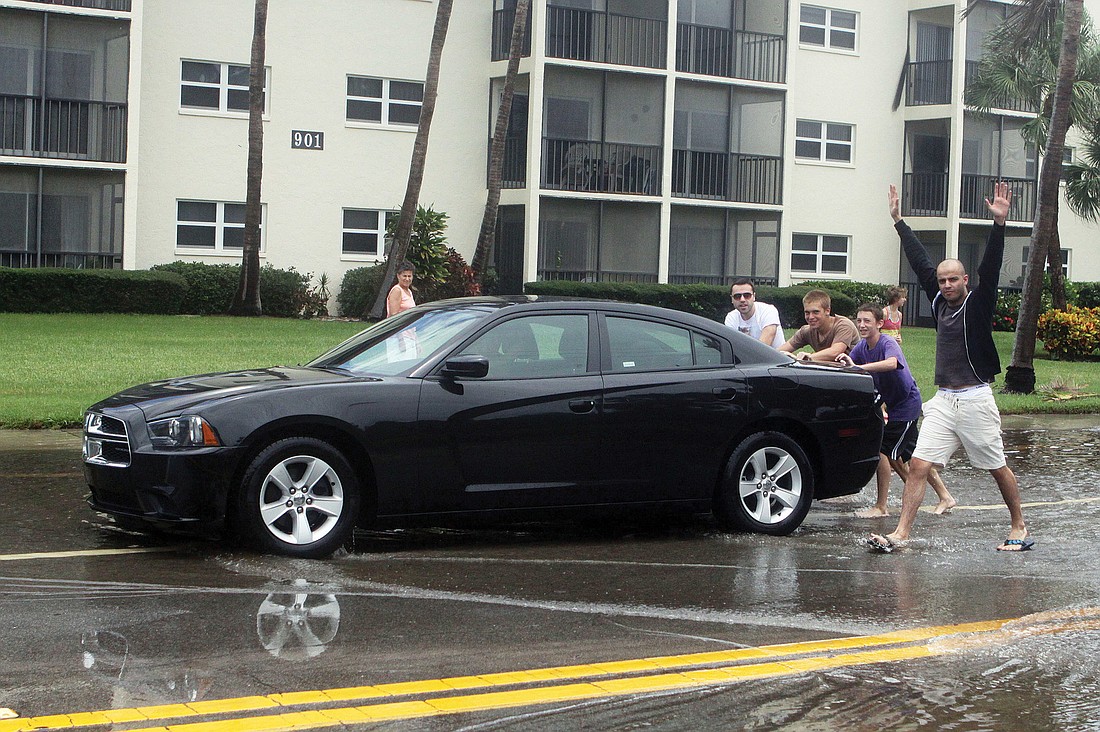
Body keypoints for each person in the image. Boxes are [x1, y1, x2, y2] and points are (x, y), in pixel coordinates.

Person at [867, 182, 1031, 552]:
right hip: (944, 401)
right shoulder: (939, 300)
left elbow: (990, 267)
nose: (946, 284)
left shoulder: (978, 302)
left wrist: (999, 224)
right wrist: (898, 221)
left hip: (975, 398)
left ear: (965, 281)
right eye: (942, 280)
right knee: (920, 465)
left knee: (996, 467)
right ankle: (901, 534)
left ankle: (1018, 526)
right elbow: (919, 259)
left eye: (953, 279)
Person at [837, 303, 956, 518]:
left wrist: (859, 367)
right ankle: (945, 497)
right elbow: (848, 363)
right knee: (914, 456)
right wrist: (811, 359)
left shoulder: (887, 342)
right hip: (893, 407)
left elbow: (892, 363)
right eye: (859, 320)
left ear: (880, 324)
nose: (862, 325)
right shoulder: (863, 347)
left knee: (883, 451)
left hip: (907, 406)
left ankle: (881, 507)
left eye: (867, 321)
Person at [778, 289, 859, 362]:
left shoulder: (843, 325)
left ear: (827, 311)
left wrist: (808, 357)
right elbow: (778, 351)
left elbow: (835, 352)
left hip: (854, 373)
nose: (811, 317)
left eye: (816, 312)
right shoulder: (806, 331)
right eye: (807, 313)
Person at [724, 278, 785, 348]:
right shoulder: (731, 318)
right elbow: (732, 346)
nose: (742, 299)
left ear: (754, 297)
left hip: (774, 358)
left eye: (747, 295)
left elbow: (764, 347)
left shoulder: (768, 311)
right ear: (732, 299)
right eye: (737, 296)